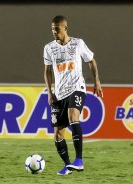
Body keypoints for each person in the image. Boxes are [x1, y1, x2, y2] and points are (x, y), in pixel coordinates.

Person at [43, 15, 103, 176]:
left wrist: (96, 80)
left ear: (65, 28)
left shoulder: (78, 43)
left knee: (72, 116)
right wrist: (49, 92)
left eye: (57, 28)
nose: (54, 31)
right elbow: (47, 72)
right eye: (52, 29)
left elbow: (91, 61)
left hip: (77, 87)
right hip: (59, 93)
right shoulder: (49, 48)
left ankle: (79, 161)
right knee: (58, 134)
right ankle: (68, 165)